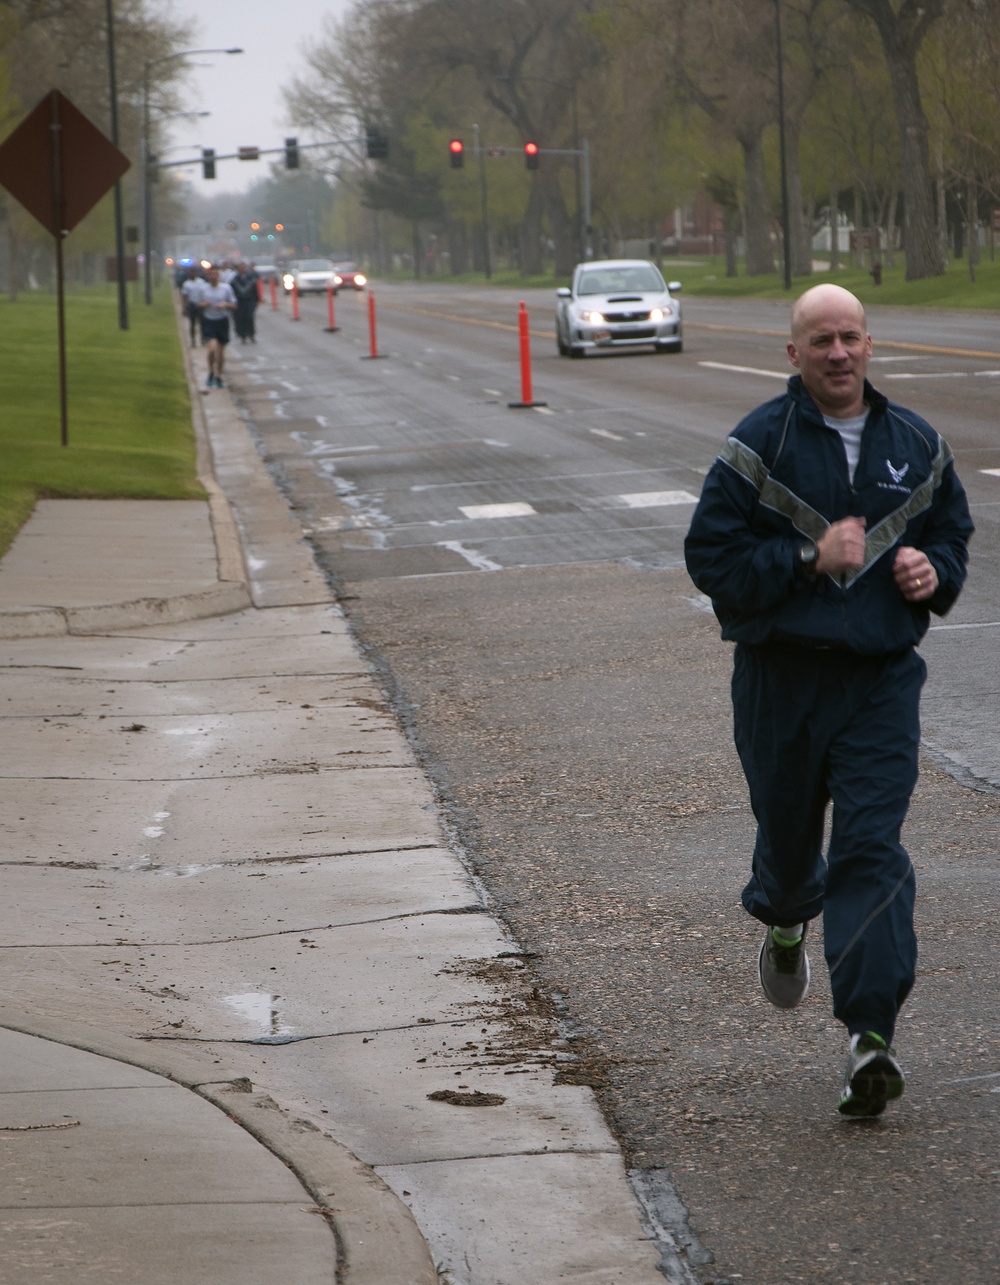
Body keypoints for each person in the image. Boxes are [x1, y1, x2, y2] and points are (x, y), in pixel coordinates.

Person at [684, 283, 973, 1118]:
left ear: (870, 346)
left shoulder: (915, 442)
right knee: (786, 839)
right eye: (821, 341)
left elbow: (950, 530)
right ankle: (782, 916)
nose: (838, 353)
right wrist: (808, 557)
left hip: (880, 681)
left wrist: (934, 573)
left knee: (871, 848)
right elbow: (712, 558)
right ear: (794, 355)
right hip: (782, 680)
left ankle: (869, 1038)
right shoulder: (757, 444)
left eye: (850, 337)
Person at [197, 265, 237, 388]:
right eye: (211, 274)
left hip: (222, 321)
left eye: (216, 274)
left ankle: (218, 375)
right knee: (212, 348)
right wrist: (204, 304)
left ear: (219, 276)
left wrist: (225, 305)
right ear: (208, 276)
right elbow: (197, 304)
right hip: (209, 321)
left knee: (221, 352)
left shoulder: (226, 288)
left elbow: (234, 305)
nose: (213, 277)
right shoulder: (203, 289)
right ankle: (210, 371)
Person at [230, 262, 259, 344]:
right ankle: (243, 335)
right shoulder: (235, 279)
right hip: (240, 302)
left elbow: (254, 290)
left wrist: (257, 300)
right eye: (240, 268)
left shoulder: (250, 278)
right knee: (241, 318)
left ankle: (251, 335)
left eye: (244, 268)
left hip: (249, 301)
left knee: (250, 318)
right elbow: (232, 292)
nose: (242, 270)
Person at [180, 266, 205, 348]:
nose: (192, 274)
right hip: (192, 304)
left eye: (193, 272)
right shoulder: (187, 284)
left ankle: (203, 338)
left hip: (200, 304)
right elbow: (185, 296)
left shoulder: (201, 282)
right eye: (191, 272)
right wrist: (184, 307)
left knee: (202, 323)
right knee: (192, 323)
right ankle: (193, 339)